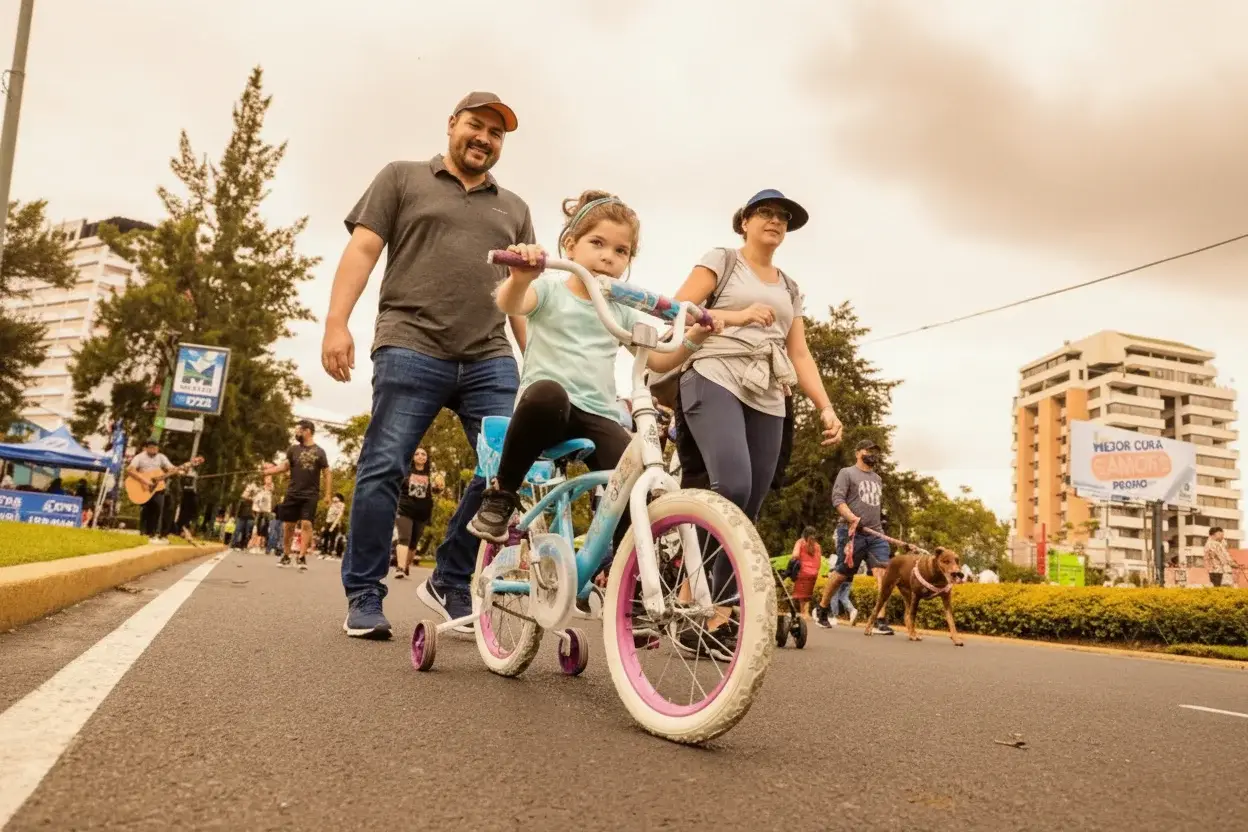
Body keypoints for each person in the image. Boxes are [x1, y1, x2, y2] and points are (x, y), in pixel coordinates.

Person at [322, 91, 535, 640]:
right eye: (476, 126)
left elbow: (521, 293)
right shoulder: (401, 177)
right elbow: (364, 250)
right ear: (452, 125)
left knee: (506, 470)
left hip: (489, 355)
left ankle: (451, 577)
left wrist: (536, 359)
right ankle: (365, 593)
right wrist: (336, 323)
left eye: (496, 133)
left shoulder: (514, 207)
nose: (484, 139)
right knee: (383, 467)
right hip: (410, 342)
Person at [665, 190, 844, 639]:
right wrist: (740, 315)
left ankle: (692, 595)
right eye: (766, 212)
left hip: (768, 390)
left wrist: (826, 407)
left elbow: (798, 352)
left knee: (749, 504)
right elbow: (679, 309)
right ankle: (717, 611)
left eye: (783, 217)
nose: (776, 221)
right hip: (715, 371)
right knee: (732, 485)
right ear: (744, 220)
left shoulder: (789, 287)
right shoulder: (722, 260)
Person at [814, 439, 895, 634]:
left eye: (875, 451)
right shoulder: (847, 473)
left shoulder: (877, 479)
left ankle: (880, 620)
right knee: (842, 574)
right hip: (851, 533)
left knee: (882, 574)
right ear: (858, 452)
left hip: (876, 534)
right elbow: (838, 499)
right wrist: (852, 518)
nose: (873, 454)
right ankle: (823, 608)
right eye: (869, 450)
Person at [264, 420, 331, 572]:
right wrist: (269, 471)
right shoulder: (293, 449)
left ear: (307, 431)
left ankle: (301, 556)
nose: (297, 433)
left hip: (311, 494)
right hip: (293, 492)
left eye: (299, 430)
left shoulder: (320, 452)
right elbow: (285, 466)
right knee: (289, 525)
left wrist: (327, 494)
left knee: (307, 524)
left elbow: (327, 473)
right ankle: (286, 555)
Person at [394, 448, 438, 578]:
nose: (420, 456)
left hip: (422, 513)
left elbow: (435, 491)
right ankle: (400, 567)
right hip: (404, 509)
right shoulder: (405, 471)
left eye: (423, 454)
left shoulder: (431, 474)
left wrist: (438, 488)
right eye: (417, 454)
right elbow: (396, 485)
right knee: (404, 538)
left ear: (426, 458)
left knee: (413, 543)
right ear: (412, 457)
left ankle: (406, 566)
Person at [126, 440, 174, 543]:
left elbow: (170, 467)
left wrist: (178, 469)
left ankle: (153, 534)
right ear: (146, 448)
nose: (154, 450)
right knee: (146, 509)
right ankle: (143, 532)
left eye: (156, 448)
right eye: (152, 448)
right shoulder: (139, 457)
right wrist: (144, 480)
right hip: (144, 487)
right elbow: (130, 469)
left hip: (158, 488)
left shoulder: (161, 457)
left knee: (157, 509)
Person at [789, 526, 822, 619]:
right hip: (814, 573)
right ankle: (806, 613)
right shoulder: (817, 546)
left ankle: (804, 613)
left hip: (803, 572)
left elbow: (795, 555)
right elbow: (819, 561)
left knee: (801, 594)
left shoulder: (800, 542)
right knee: (807, 593)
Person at [320, 493, 347, 560]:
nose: (334, 498)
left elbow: (339, 515)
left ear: (339, 498)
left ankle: (330, 553)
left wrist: (333, 526)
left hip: (334, 523)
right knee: (325, 537)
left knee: (332, 538)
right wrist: (324, 525)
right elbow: (328, 515)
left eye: (335, 497)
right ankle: (323, 552)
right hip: (328, 522)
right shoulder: (332, 504)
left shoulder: (341, 505)